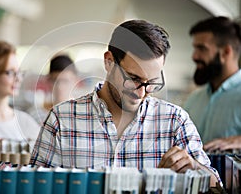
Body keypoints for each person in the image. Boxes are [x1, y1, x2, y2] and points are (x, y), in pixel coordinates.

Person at [30, 19, 220, 186]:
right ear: (109, 62)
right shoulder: (61, 120)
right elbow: (33, 186)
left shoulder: (175, 121)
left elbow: (217, 187)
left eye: (152, 82)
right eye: (134, 78)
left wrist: (195, 168)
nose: (142, 92)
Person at [183, 16, 241, 151]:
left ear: (226, 52)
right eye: (195, 48)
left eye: (201, 48)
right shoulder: (194, 99)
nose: (194, 56)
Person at [27, 54, 78, 124]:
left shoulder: (84, 114)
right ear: (48, 80)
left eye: (65, 81)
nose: (59, 87)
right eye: (55, 81)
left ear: (75, 81)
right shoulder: (35, 116)